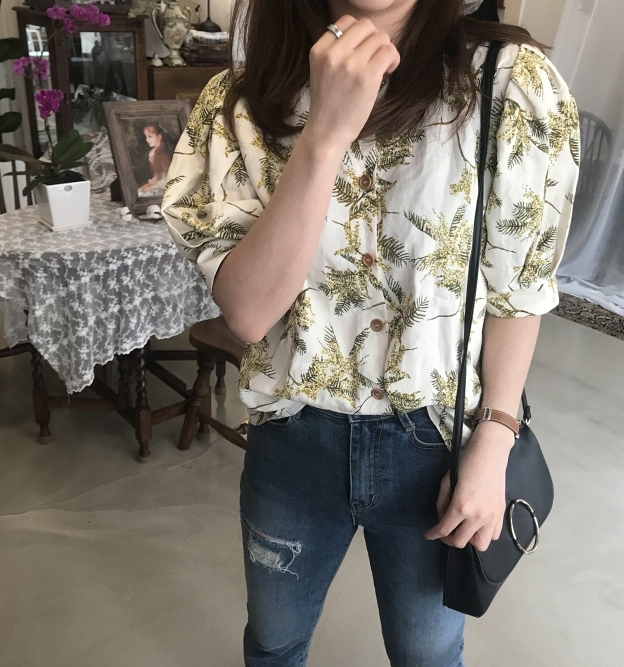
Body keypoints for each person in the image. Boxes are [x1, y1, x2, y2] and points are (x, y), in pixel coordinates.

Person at [162, 0, 580, 665]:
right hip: (292, 438)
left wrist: (495, 438)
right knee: (273, 643)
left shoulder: (506, 83)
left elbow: (517, 290)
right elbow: (248, 312)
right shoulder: (239, 101)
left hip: (440, 444)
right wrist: (324, 134)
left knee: (428, 653)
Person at [137, 122, 175, 196]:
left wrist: (151, 187)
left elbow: (168, 179)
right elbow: (157, 175)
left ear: (159, 137)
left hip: (167, 186)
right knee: (139, 192)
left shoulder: (164, 154)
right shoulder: (152, 153)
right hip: (158, 183)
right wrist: (148, 185)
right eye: (146, 137)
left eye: (150, 136)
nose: (146, 140)